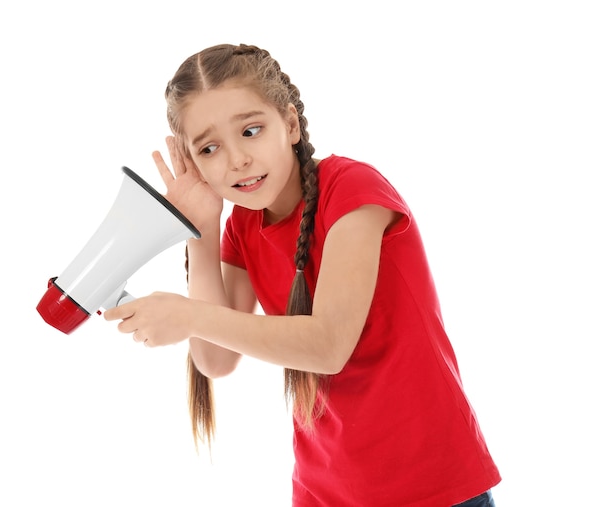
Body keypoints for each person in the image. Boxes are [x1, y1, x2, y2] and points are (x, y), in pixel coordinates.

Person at [104, 43, 501, 506]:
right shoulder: (243, 226)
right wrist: (201, 228)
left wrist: (188, 316)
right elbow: (216, 359)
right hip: (327, 488)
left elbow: (328, 345)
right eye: (210, 148)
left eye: (251, 130)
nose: (236, 160)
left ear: (289, 124)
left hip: (428, 486)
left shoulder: (352, 189)